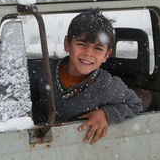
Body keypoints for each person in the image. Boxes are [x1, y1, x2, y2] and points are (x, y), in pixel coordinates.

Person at [29, 9, 143, 145]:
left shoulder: (106, 85)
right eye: (82, 44)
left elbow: (135, 105)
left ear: (107, 55)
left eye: (98, 49)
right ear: (67, 44)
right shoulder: (42, 71)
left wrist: (106, 114)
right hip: (40, 142)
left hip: (77, 146)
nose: (88, 53)